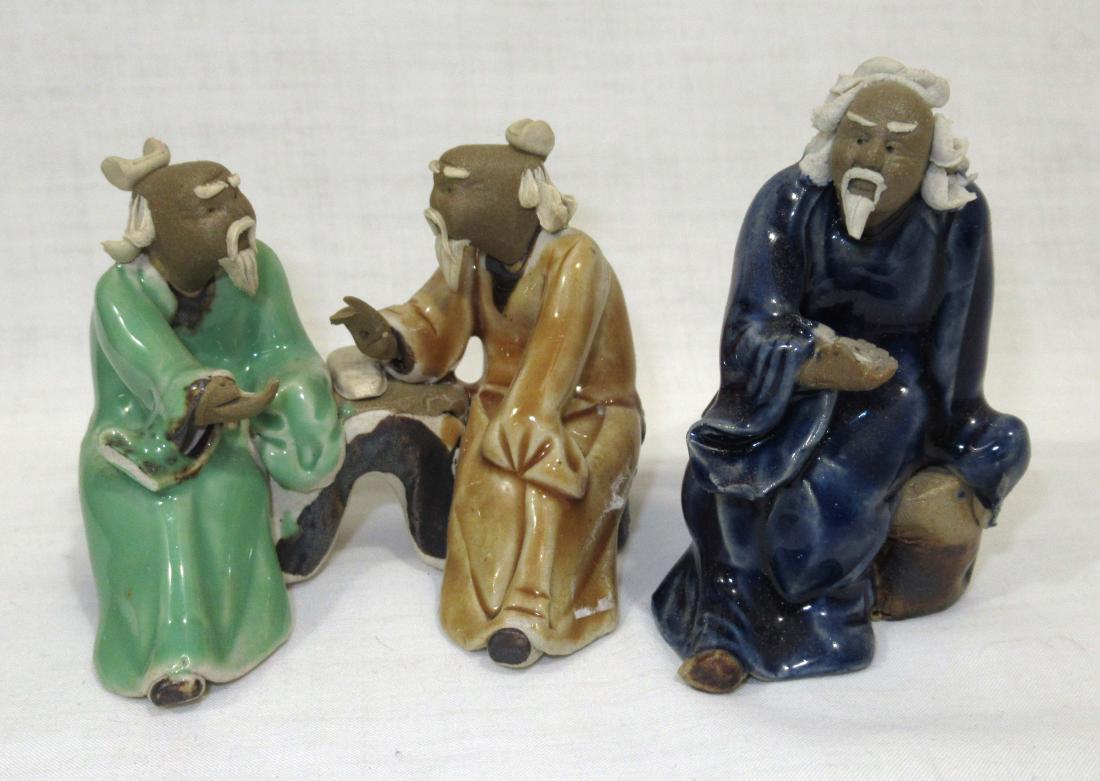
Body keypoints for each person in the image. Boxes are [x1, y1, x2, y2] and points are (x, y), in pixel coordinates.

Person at [652, 58, 1030, 693]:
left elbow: (960, 335)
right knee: (724, 479)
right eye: (858, 137)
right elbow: (751, 322)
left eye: (896, 147)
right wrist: (811, 360)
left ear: (928, 161)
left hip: (898, 386)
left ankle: (826, 620)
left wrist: (955, 423)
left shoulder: (957, 215)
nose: (871, 159)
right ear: (832, 137)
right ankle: (725, 631)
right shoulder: (788, 200)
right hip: (793, 380)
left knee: (822, 502)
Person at [333, 120, 642, 667]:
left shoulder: (577, 258)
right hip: (504, 404)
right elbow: (432, 320)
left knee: (543, 478)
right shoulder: (471, 258)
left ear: (511, 197)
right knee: (492, 489)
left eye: (452, 189)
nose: (438, 202)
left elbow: (558, 356)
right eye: (439, 187)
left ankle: (532, 614)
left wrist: (528, 425)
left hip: (588, 409)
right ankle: (485, 610)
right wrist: (388, 338)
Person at [81, 140, 344, 705]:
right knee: (165, 508)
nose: (238, 213)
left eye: (235, 196)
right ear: (162, 229)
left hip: (235, 422)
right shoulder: (120, 293)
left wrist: (292, 391)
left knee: (225, 487)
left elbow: (286, 351)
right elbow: (158, 369)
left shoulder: (259, 266)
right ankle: (168, 654)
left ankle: (236, 636)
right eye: (211, 208)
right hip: (140, 432)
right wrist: (198, 395)